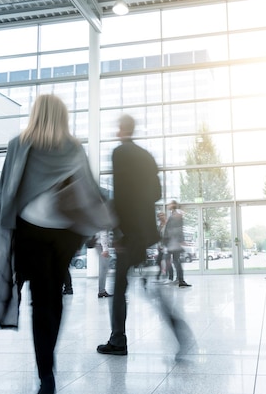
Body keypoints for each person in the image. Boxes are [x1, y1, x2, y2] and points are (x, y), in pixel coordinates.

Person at [0, 94, 116, 394]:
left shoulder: (19, 143)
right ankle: (47, 370)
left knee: (38, 298)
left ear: (35, 113)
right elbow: (88, 187)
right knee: (50, 302)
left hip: (30, 233)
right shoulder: (73, 146)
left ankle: (44, 370)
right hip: (64, 235)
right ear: (63, 116)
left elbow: (6, 189)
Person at [97, 114, 162, 356]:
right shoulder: (146, 156)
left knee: (120, 288)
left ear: (121, 129)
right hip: (145, 233)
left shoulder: (120, 153)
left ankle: (118, 340)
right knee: (150, 287)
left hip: (130, 233)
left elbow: (122, 195)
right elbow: (157, 193)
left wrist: (119, 231)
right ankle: (178, 330)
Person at [164, 200, 191, 287]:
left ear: (174, 205)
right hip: (171, 243)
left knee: (176, 262)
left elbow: (179, 228)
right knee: (174, 261)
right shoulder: (173, 214)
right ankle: (178, 279)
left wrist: (181, 240)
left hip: (173, 243)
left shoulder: (176, 215)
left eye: (170, 204)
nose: (168, 205)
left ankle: (179, 280)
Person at [155, 211, 172, 282]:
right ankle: (160, 272)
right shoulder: (159, 226)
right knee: (158, 261)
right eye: (159, 216)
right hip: (160, 246)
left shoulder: (168, 225)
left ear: (165, 216)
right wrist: (158, 245)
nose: (160, 217)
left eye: (162, 215)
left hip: (167, 246)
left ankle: (170, 277)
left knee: (168, 261)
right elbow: (158, 237)